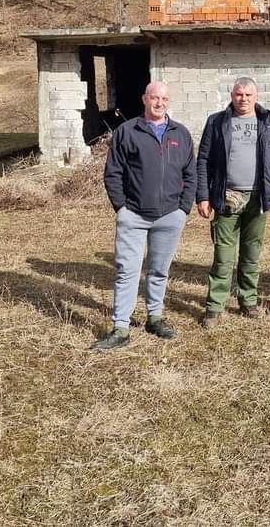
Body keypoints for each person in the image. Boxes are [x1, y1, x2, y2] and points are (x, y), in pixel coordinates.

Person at [91, 81, 196, 351]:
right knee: (127, 271)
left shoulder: (181, 133)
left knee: (159, 270)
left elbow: (190, 173)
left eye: (164, 99)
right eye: (154, 98)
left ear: (169, 101)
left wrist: (183, 209)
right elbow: (113, 173)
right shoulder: (127, 132)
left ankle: (155, 317)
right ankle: (121, 328)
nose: (159, 103)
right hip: (134, 216)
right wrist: (122, 208)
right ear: (144, 99)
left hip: (170, 215)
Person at [196, 77, 270, 328]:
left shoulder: (269, 122)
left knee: (251, 253)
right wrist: (203, 196)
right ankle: (214, 307)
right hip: (227, 196)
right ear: (232, 95)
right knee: (223, 256)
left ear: (256, 96)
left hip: (257, 198)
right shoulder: (216, 122)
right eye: (239, 94)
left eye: (248, 95)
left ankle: (248, 301)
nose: (243, 99)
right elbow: (204, 160)